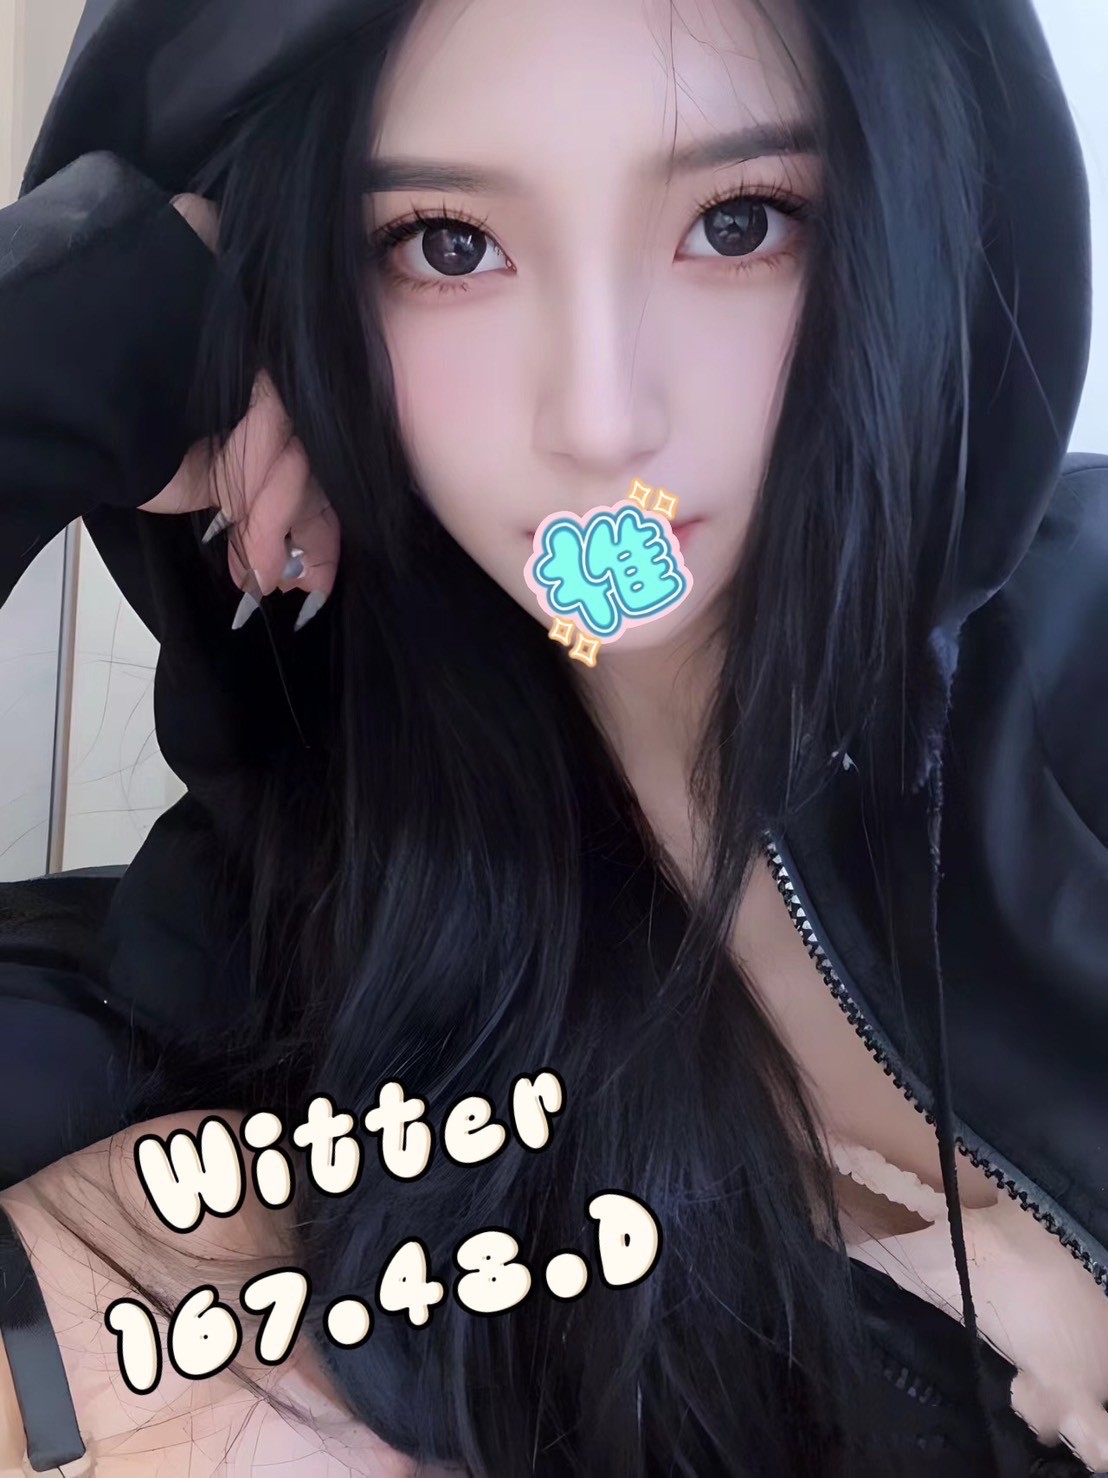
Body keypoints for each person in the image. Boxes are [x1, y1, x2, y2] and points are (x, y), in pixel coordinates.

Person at [0, 0, 1105, 1472]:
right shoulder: (321, 899)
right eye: (446, 245)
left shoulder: (1084, 655)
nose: (601, 419)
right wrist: (77, 343)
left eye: (740, 223)